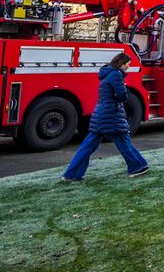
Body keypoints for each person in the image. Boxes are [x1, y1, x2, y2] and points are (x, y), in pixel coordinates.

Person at [61, 52, 149, 182]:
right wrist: (125, 89)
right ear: (121, 63)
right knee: (123, 141)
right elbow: (122, 96)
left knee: (87, 146)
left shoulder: (106, 74)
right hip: (112, 114)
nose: (128, 67)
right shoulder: (116, 75)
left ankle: (72, 174)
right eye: (127, 64)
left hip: (101, 114)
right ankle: (137, 166)